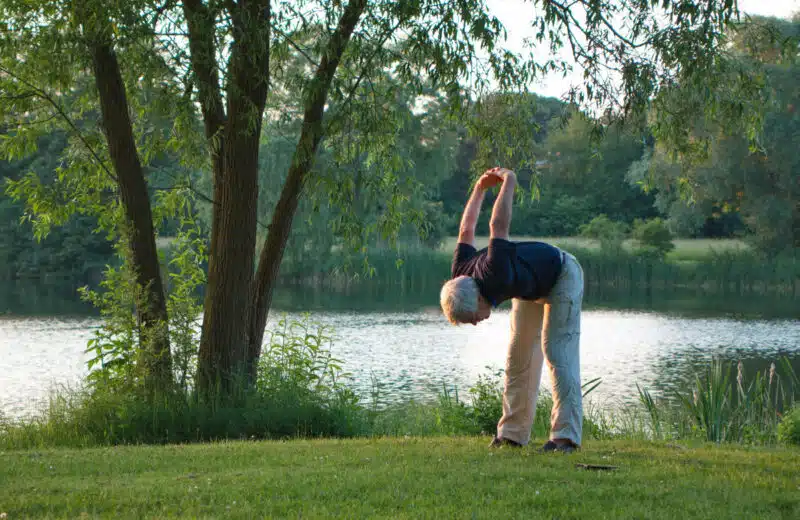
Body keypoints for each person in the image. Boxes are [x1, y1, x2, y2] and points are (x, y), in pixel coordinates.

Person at [439, 167, 584, 453]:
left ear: (478, 298)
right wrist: (479, 189)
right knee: (518, 358)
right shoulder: (460, 273)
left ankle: (566, 438)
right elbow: (466, 229)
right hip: (529, 287)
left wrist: (509, 182)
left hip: (562, 275)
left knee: (557, 352)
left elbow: (498, 226)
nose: (477, 324)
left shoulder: (495, 273)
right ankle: (512, 434)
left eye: (472, 319)